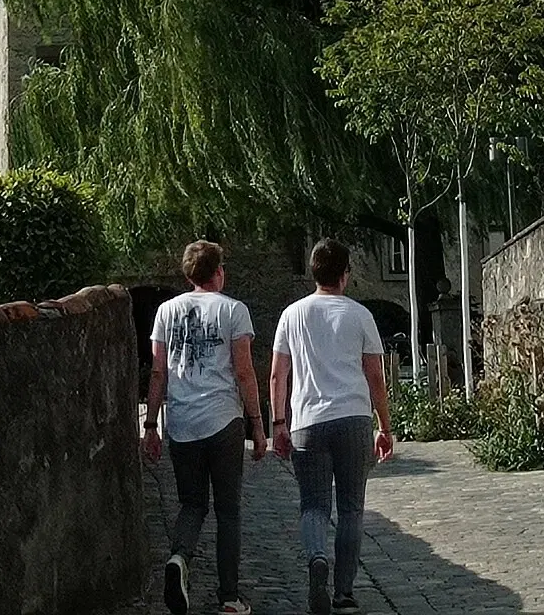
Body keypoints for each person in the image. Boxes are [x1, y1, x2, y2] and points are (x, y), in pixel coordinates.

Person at [270, 238, 394, 615]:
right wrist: (384, 425)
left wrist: (279, 423)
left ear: (314, 272)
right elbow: (375, 375)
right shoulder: (360, 316)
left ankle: (316, 558)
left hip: (308, 421)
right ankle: (344, 593)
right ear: (345, 275)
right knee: (352, 508)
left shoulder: (292, 315)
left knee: (313, 505)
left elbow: (278, 374)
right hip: (353, 419)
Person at [144, 239, 267, 615]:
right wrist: (257, 425)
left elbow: (158, 372)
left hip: (181, 423)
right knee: (228, 510)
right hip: (223, 420)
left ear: (187, 274)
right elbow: (244, 372)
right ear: (219, 272)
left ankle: (179, 558)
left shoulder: (167, 311)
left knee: (192, 504)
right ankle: (229, 596)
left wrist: (151, 424)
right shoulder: (234, 311)